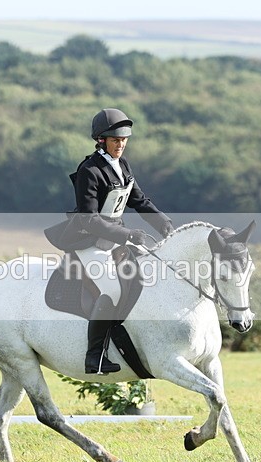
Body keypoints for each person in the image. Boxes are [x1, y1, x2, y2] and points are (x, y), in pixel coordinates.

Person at [45, 108, 174, 374]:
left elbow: (139, 201)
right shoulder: (89, 171)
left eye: (124, 140)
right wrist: (128, 235)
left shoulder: (123, 165)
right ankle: (95, 357)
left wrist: (166, 225)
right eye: (116, 140)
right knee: (112, 290)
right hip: (88, 242)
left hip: (114, 239)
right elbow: (88, 220)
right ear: (102, 140)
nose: (121, 144)